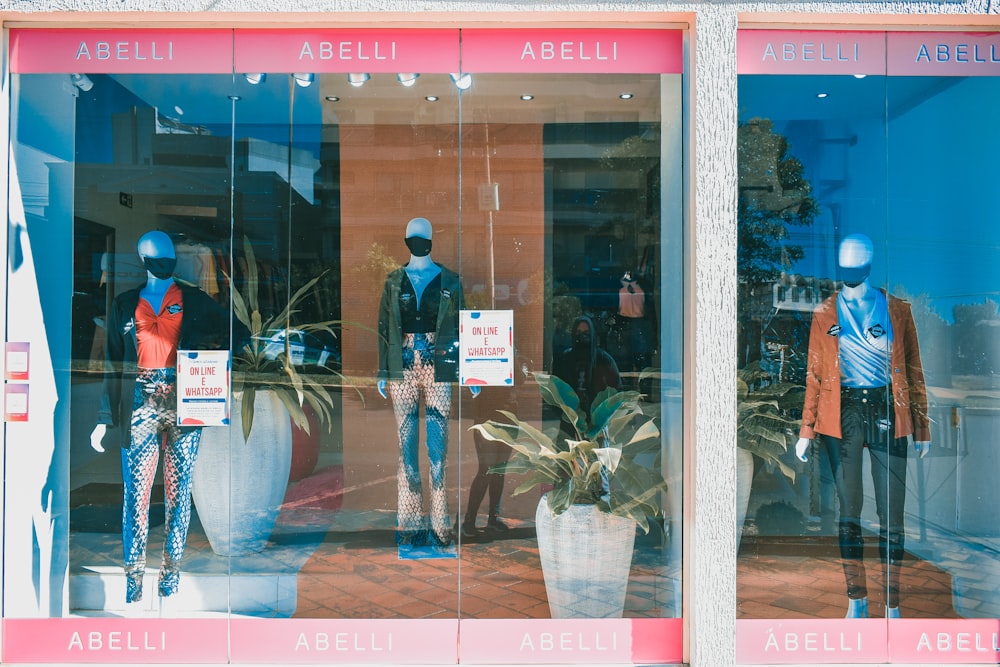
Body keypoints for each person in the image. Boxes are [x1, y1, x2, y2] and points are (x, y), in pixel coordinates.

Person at [91, 230, 235, 604]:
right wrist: (105, 416)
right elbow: (113, 362)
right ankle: (134, 580)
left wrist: (216, 370)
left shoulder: (194, 301)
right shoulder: (126, 304)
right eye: (156, 255)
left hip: (184, 400)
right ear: (142, 259)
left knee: (178, 492)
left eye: (168, 254)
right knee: (135, 495)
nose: (164, 261)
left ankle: (170, 577)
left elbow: (237, 333)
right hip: (140, 401)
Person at [794, 233, 930, 619]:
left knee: (893, 514)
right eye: (844, 263)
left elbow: (914, 370)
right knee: (848, 509)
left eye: (855, 263)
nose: (849, 270)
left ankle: (893, 602)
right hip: (843, 413)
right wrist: (807, 428)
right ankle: (856, 598)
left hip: (888, 408)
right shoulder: (824, 313)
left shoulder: (897, 310)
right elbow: (815, 376)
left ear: (868, 264)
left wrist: (921, 426)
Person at [377, 217, 478, 549]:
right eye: (413, 238)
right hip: (402, 365)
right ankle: (408, 524)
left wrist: (469, 369)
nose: (418, 242)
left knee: (438, 449)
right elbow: (384, 327)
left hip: (439, 368)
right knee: (405, 446)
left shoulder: (450, 281)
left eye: (422, 237)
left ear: (431, 240)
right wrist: (383, 370)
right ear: (407, 241)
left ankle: (440, 525)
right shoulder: (394, 282)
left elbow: (464, 325)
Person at [552, 315, 622, 416]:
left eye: (587, 333)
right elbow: (555, 391)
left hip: (597, 421)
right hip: (570, 420)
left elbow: (616, 391)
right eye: (579, 332)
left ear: (592, 334)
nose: (582, 336)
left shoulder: (603, 359)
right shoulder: (565, 359)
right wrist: (564, 414)